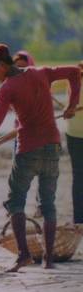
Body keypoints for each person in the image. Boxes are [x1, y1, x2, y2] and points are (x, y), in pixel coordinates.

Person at [0, 43, 81, 272]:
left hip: (28, 150)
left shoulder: (7, 88)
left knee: (15, 202)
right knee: (48, 204)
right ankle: (49, 260)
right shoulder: (40, 72)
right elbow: (75, 72)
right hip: (53, 147)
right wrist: (73, 104)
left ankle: (24, 254)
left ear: (2, 65)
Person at [67, 61, 83, 224]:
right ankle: (79, 218)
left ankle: (79, 218)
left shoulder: (73, 82)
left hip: (73, 134)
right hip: (75, 134)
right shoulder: (74, 83)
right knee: (79, 177)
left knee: (78, 177)